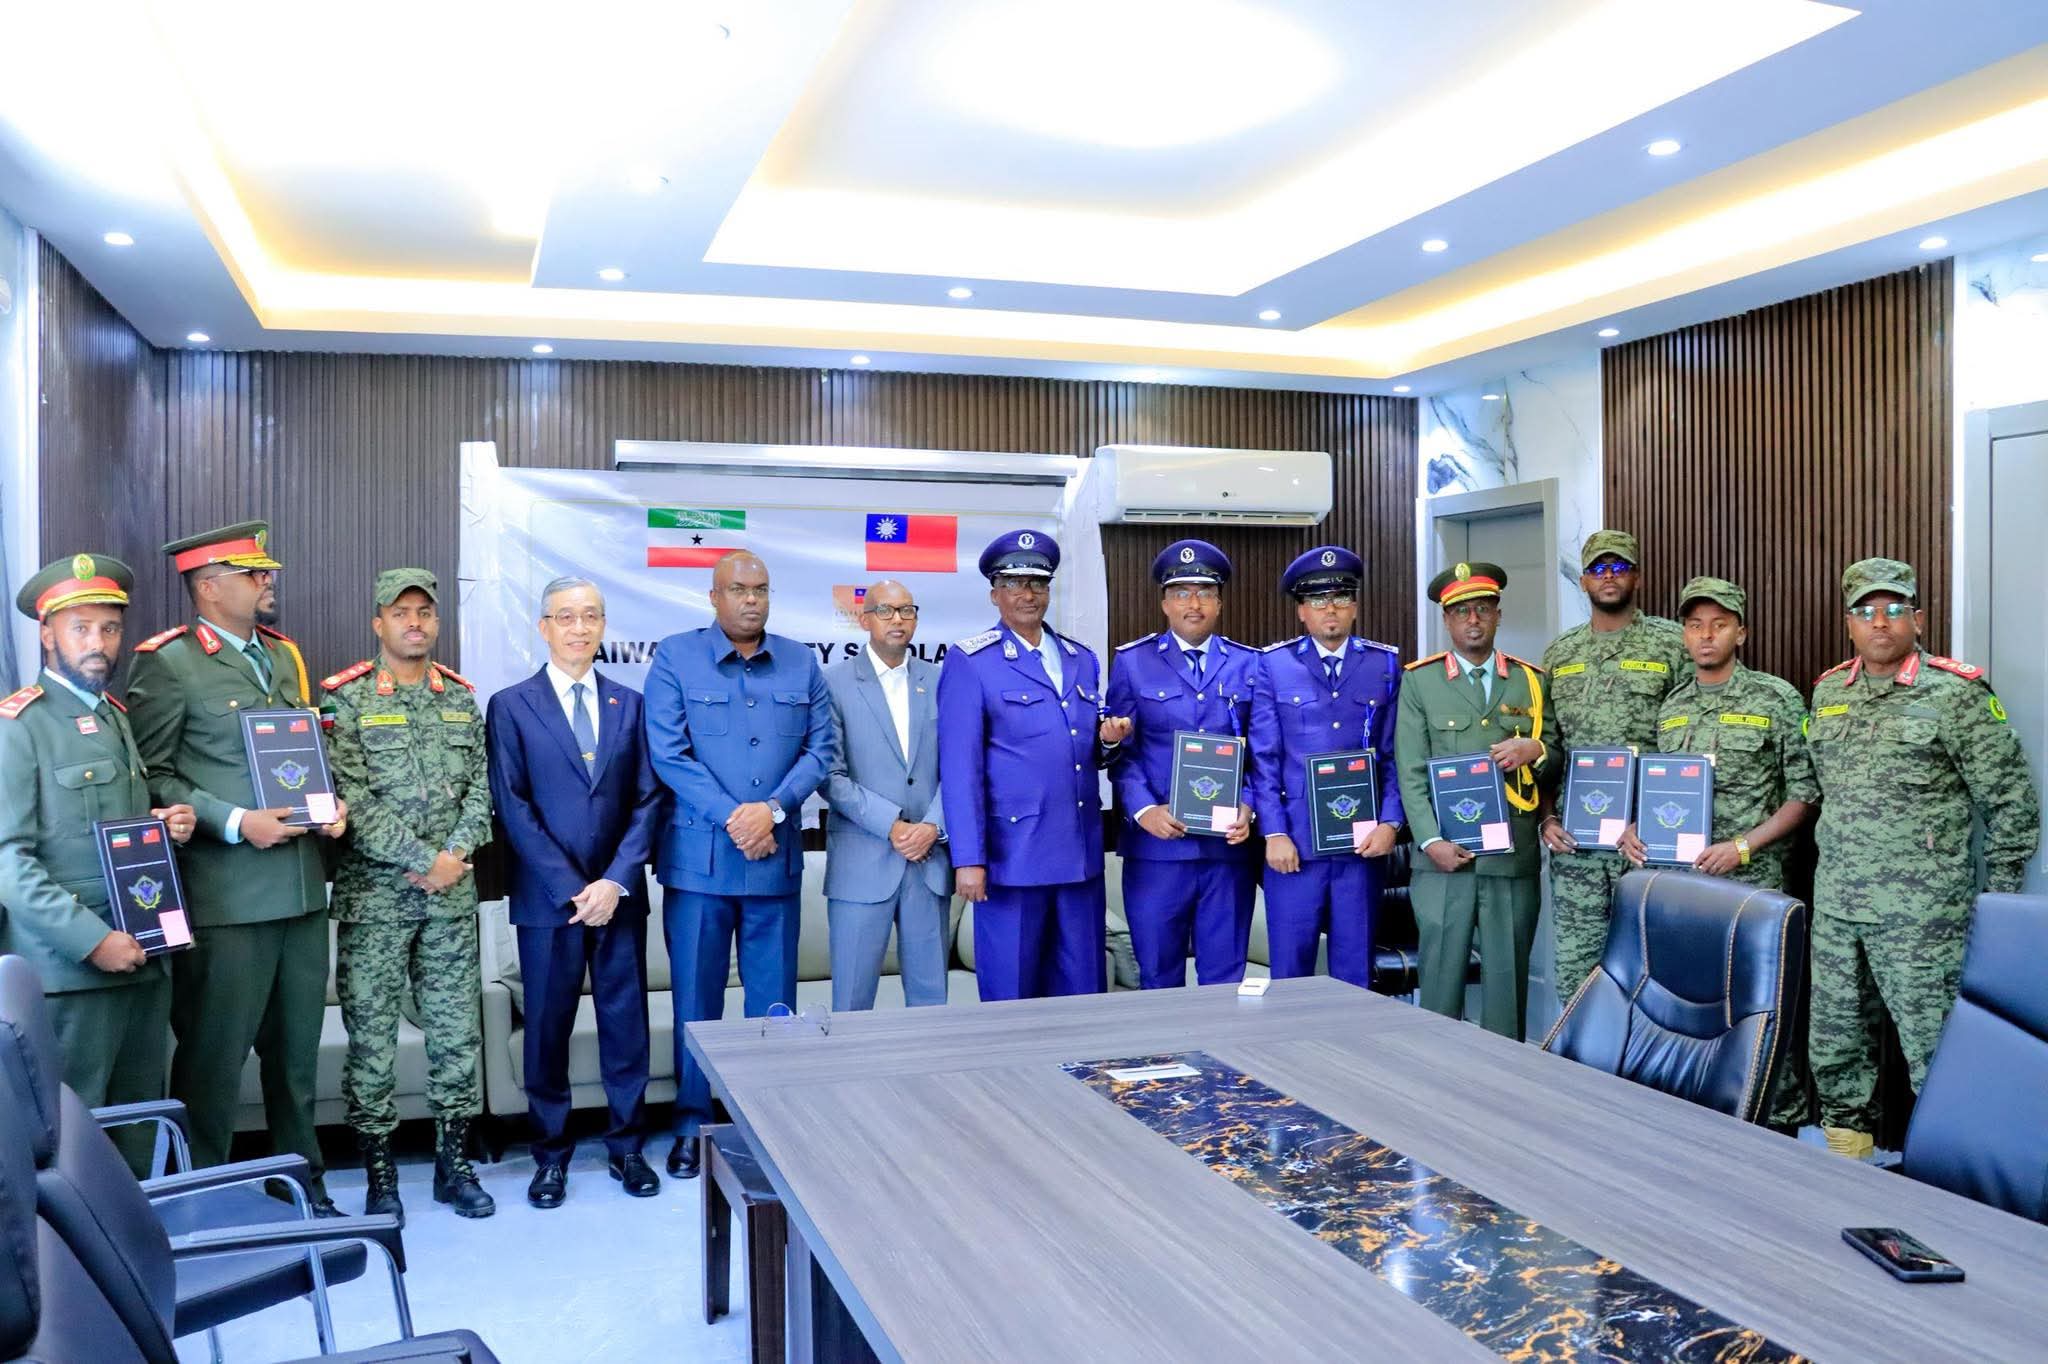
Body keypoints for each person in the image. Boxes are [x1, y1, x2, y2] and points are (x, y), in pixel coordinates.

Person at [125, 521, 347, 1213]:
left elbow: (298, 756)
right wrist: (232, 821)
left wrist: (327, 805)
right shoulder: (167, 664)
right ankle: (206, 1200)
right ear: (208, 586)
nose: (266, 582)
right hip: (227, 899)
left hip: (302, 892)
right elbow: (151, 776)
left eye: (265, 572)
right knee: (213, 1066)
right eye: (253, 574)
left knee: (295, 1064)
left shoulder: (284, 657)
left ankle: (302, 1187)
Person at [1803, 557, 2039, 1159]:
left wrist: (1999, 909)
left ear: (1918, 618)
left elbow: (2011, 803)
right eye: (1865, 611)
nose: (1879, 622)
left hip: (1923, 920)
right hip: (1838, 909)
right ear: (1849, 623)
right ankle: (1845, 1167)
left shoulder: (1955, 693)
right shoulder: (1830, 690)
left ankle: (1958, 1184)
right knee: (1835, 1050)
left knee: (1935, 1053)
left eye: (1893, 609)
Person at [0, 555, 198, 1172]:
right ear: (47, 632)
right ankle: (79, 1270)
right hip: (72, 975)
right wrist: (93, 941)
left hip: (142, 955)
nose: (98, 643)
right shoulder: (19, 725)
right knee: (71, 1146)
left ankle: (137, 1262)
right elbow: (9, 862)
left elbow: (109, 833)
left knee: (139, 1131)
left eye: (109, 628)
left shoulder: (113, 715)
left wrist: (169, 827)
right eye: (81, 628)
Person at [643, 551, 835, 1180]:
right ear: (714, 595)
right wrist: (738, 817)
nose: (751, 600)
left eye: (761, 590)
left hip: (772, 862)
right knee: (697, 1002)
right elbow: (669, 755)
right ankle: (691, 1124)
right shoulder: (676, 656)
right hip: (700, 863)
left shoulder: (802, 660)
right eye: (738, 590)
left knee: (772, 1004)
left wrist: (773, 810)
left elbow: (822, 749)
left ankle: (768, 1123)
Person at [321, 569, 496, 1220]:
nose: (415, 622)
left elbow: (482, 787)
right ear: (379, 623)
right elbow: (351, 799)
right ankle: (380, 1176)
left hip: (450, 898)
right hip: (377, 901)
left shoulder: (460, 698)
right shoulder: (350, 698)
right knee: (372, 1040)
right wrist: (424, 859)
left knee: (457, 1035)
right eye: (401, 613)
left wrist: (451, 858)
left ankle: (454, 1165)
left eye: (425, 612)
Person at [486, 576, 665, 1208]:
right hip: (547, 902)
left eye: (591, 616)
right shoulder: (511, 705)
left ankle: (627, 1147)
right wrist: (573, 889)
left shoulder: (630, 703)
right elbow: (513, 805)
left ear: (603, 625)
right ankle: (551, 1155)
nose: (579, 628)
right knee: (547, 1028)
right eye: (566, 617)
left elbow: (648, 799)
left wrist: (613, 882)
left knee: (624, 1024)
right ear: (544, 627)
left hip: (618, 898)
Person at [1618, 576, 1818, 1128]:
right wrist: (1637, 827)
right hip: (1683, 885)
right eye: (1694, 624)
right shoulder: (1672, 705)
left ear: (1742, 633)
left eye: (1719, 624)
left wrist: (1743, 846)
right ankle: (1698, 1114)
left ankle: (1777, 1121)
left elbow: (1803, 795)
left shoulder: (1775, 698)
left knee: (1759, 1006)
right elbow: (1662, 788)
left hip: (1751, 884)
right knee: (1693, 1004)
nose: (1706, 636)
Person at [938, 531, 1122, 1001]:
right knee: (1012, 995)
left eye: (1037, 584)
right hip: (1011, 858)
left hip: (1079, 856)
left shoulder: (1082, 659)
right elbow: (960, 772)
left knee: (1084, 992)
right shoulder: (971, 661)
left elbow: (1085, 751)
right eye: (1015, 583)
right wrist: (969, 860)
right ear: (994, 593)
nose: (1028, 594)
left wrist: (1111, 743)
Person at [1393, 563, 1554, 1038]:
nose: (1473, 620)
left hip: (1510, 858)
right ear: (1447, 621)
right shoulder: (1420, 682)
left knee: (1508, 986)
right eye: (1461, 612)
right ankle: (1438, 1087)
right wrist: (1427, 841)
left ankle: (1505, 1093)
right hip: (1445, 861)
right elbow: (1411, 769)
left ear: (1498, 615)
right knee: (1440, 987)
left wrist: (1537, 749)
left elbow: (1558, 751)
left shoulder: (1531, 681)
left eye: (1482, 609)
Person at [1537, 529, 1688, 999]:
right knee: (1576, 976)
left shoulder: (1672, 645)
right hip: (1577, 847)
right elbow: (1549, 746)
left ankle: (1641, 1076)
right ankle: (1576, 1072)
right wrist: (1546, 817)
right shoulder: (1560, 654)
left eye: (1619, 567)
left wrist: (1654, 819)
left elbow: (1689, 740)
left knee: (1654, 974)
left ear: (1637, 577)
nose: (1609, 577)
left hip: (1648, 841)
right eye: (1598, 569)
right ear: (1582, 581)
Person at [1247, 546, 1404, 987]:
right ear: (1302, 611)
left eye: (1340, 597)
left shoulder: (1385, 664)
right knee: (1291, 972)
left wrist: (1391, 822)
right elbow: (1264, 759)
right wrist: (1274, 833)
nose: (1330, 609)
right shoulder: (1273, 666)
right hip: (1294, 845)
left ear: (1354, 606)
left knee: (1355, 973)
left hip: (1362, 845)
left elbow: (1395, 755)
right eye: (1317, 600)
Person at [1104, 540, 1258, 987]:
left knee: (1225, 978)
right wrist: (1144, 811)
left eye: (1204, 593)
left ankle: (1225, 1059)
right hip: (1157, 851)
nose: (1194, 603)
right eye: (1182, 593)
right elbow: (1121, 753)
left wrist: (1249, 806)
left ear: (1219, 603)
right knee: (1157, 976)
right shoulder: (1132, 663)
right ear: (1165, 603)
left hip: (1226, 853)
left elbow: (1262, 752)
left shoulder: (1249, 664)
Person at [821, 580, 950, 1010]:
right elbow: (829, 774)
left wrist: (933, 824)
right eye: (886, 611)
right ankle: (849, 1081)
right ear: (864, 619)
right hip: (862, 863)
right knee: (852, 1004)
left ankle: (928, 1080)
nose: (898, 620)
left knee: (931, 1001)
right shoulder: (831, 683)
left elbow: (961, 767)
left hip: (928, 863)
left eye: (907, 611)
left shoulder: (943, 680)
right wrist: (892, 825)